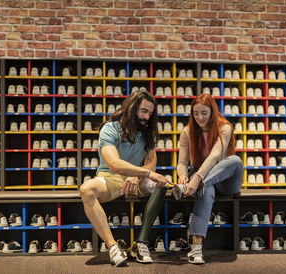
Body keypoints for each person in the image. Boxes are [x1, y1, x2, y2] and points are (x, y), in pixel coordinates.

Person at [80, 90, 170, 267]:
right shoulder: (110, 128)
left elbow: (151, 164)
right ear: (132, 107)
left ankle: (141, 243)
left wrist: (137, 176)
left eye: (150, 113)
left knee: (161, 182)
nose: (147, 116)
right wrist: (142, 173)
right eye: (144, 111)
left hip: (135, 180)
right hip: (111, 178)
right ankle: (113, 246)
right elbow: (113, 163)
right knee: (86, 189)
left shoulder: (147, 132)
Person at [174, 93, 243, 264]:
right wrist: (183, 175)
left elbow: (215, 155)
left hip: (226, 181)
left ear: (212, 111)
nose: (200, 117)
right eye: (196, 113)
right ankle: (196, 248)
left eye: (204, 113)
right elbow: (182, 162)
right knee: (205, 190)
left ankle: (199, 184)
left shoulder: (224, 127)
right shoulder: (187, 132)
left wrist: (196, 179)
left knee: (235, 160)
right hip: (203, 180)